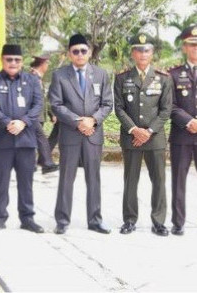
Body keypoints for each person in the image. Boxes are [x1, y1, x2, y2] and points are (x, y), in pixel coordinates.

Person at [49, 33, 113, 234]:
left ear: (90, 52)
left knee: (94, 178)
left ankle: (95, 219)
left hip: (93, 135)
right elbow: (56, 104)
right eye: (75, 51)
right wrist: (78, 121)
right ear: (69, 54)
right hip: (70, 135)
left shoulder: (101, 74)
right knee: (66, 178)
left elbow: (107, 103)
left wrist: (92, 120)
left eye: (83, 51)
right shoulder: (60, 75)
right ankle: (62, 220)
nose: (79, 54)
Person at [114, 33, 172, 236]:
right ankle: (129, 220)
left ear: (152, 52)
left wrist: (148, 131)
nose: (142, 53)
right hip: (131, 138)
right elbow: (119, 108)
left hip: (154, 138)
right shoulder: (122, 78)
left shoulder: (163, 78)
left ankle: (159, 221)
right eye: (138, 50)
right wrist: (134, 130)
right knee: (130, 180)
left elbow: (166, 110)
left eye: (146, 49)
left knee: (159, 181)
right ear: (133, 53)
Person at [0, 44, 45, 233]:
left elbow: (38, 104)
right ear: (2, 60)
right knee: (1, 180)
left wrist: (23, 122)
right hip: (1, 140)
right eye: (9, 59)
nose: (13, 63)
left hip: (26, 140)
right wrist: (6, 122)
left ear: (22, 62)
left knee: (26, 181)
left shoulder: (32, 80)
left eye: (17, 60)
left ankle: (27, 218)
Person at [168, 24, 197, 236]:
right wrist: (188, 121)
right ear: (185, 47)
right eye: (192, 44)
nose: (196, 48)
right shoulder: (173, 74)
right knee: (178, 180)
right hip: (181, 136)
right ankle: (178, 222)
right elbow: (169, 105)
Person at [30, 55, 59, 174]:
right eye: (47, 64)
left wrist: (51, 113)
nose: (47, 66)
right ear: (42, 65)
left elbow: (43, 100)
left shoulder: (37, 78)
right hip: (33, 116)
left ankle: (32, 165)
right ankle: (46, 164)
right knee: (41, 139)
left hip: (39, 116)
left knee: (32, 140)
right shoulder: (32, 78)